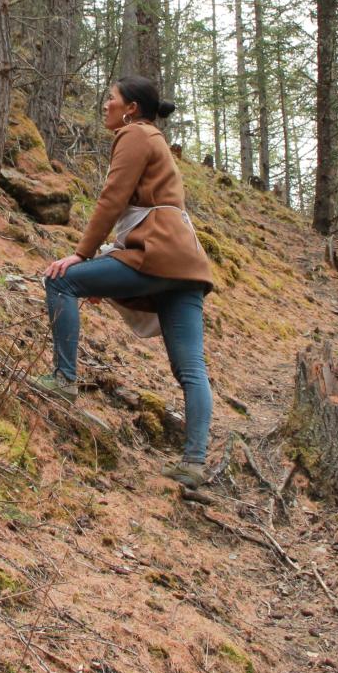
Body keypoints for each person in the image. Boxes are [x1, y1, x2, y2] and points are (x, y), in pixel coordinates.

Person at [39, 76, 217, 488]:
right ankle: (194, 463)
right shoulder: (154, 139)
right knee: (192, 368)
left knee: (61, 281)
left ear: (131, 108)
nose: (105, 105)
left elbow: (112, 199)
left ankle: (64, 378)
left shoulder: (134, 134)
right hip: (185, 265)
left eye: (110, 99)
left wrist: (82, 255)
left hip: (157, 255)